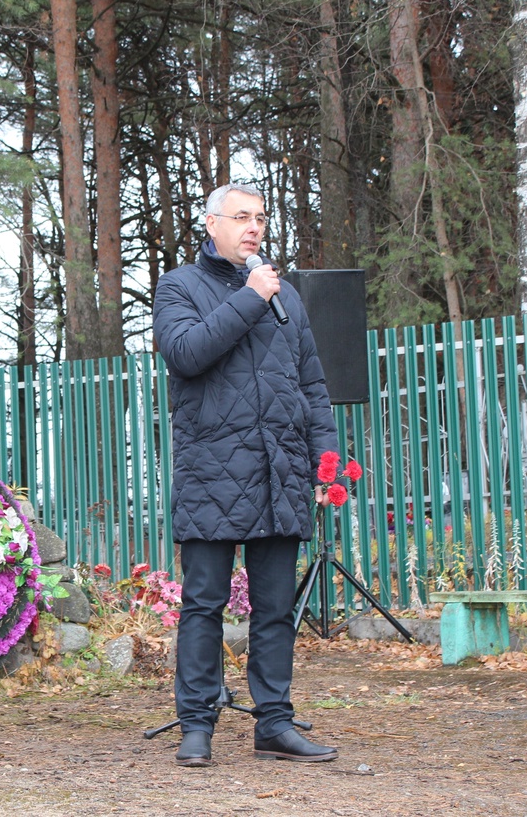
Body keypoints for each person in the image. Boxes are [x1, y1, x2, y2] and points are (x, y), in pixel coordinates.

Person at [151, 183, 339, 767]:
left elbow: (313, 387)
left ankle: (274, 723)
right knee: (204, 603)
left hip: (278, 470)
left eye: (260, 218)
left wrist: (324, 462)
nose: (254, 227)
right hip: (211, 470)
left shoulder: (288, 299)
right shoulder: (180, 287)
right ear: (211, 224)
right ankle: (197, 724)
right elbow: (185, 354)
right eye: (241, 218)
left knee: (277, 606)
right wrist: (251, 298)